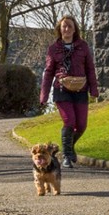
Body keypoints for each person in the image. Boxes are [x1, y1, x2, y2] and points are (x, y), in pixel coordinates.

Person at [39, 15, 98, 168]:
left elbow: (90, 69)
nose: (66, 29)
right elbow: (48, 72)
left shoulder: (83, 46)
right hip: (61, 89)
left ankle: (69, 147)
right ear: (59, 29)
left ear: (74, 29)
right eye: (64, 26)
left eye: (70, 26)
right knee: (69, 121)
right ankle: (66, 156)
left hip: (80, 89)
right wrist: (44, 95)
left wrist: (94, 89)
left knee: (82, 125)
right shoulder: (53, 49)